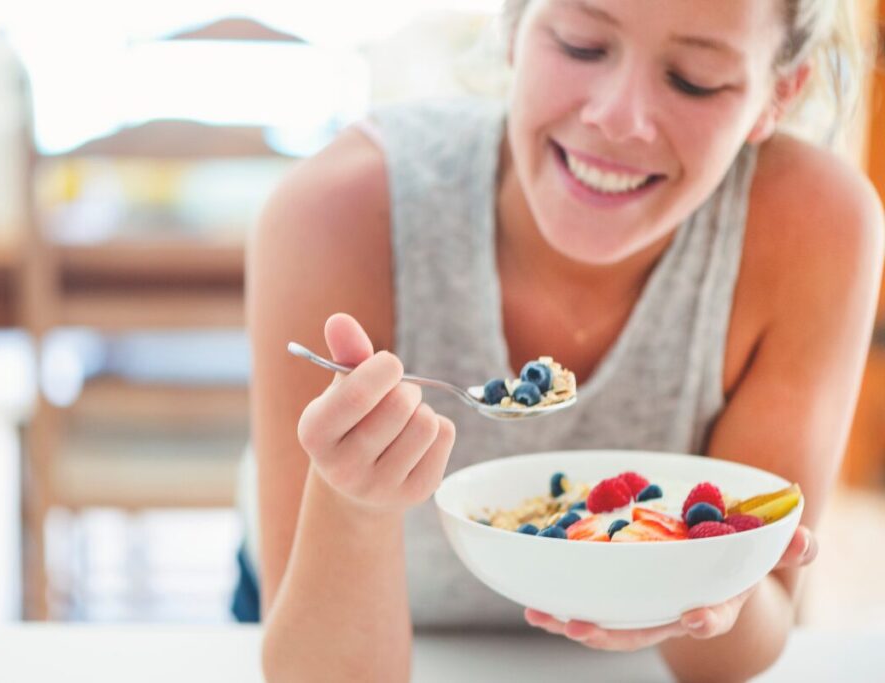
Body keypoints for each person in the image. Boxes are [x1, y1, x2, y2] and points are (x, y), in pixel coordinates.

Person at [240, 0, 885, 681]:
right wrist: (352, 508)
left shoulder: (816, 228)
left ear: (778, 95)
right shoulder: (339, 211)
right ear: (513, 27)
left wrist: (711, 577)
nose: (618, 117)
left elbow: (736, 653)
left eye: (694, 80)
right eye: (581, 45)